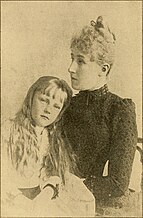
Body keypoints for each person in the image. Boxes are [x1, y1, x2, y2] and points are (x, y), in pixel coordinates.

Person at [62, 16, 141, 216]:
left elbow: (117, 183)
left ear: (103, 69)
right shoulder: (66, 105)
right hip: (60, 201)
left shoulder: (119, 110)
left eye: (80, 61)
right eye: (72, 58)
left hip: (100, 208)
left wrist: (69, 187)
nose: (71, 68)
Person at [1, 76, 95, 217]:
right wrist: (18, 198)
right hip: (11, 196)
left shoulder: (50, 137)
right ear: (31, 98)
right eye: (44, 100)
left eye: (56, 106)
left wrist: (47, 192)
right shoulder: (9, 129)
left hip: (40, 195)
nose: (48, 109)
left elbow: (52, 172)